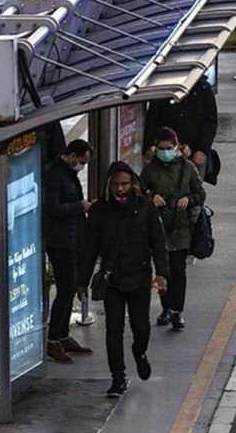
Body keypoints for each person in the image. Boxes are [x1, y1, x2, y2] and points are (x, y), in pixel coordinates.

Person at [78, 161, 169, 397]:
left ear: (133, 184)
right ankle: (117, 377)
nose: (121, 189)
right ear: (109, 185)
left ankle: (140, 352)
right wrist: (82, 282)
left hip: (139, 278)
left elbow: (157, 242)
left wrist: (161, 273)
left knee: (141, 327)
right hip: (113, 280)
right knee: (113, 330)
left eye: (125, 184)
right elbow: (90, 248)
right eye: (117, 184)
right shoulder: (99, 211)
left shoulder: (145, 207)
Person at [139, 128, 205, 330]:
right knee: (163, 270)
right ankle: (166, 307)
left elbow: (200, 193)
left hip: (181, 227)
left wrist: (189, 199)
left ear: (177, 147)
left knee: (178, 270)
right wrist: (151, 197)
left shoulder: (187, 168)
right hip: (158, 228)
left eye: (168, 148)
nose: (164, 152)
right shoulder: (150, 170)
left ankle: (177, 310)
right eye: (161, 148)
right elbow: (139, 193)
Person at [42, 139, 95, 363]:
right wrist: (79, 207)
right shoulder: (54, 174)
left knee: (69, 287)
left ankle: (62, 335)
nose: (82, 166)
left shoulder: (66, 173)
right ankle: (53, 339)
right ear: (72, 155)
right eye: (81, 161)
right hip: (60, 241)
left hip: (70, 237)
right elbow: (52, 207)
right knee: (65, 289)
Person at [143, 77, 218, 179]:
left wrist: (203, 149)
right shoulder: (164, 90)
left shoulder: (203, 89)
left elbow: (210, 122)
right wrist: (148, 150)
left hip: (194, 150)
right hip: (166, 150)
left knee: (193, 186)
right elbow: (152, 121)